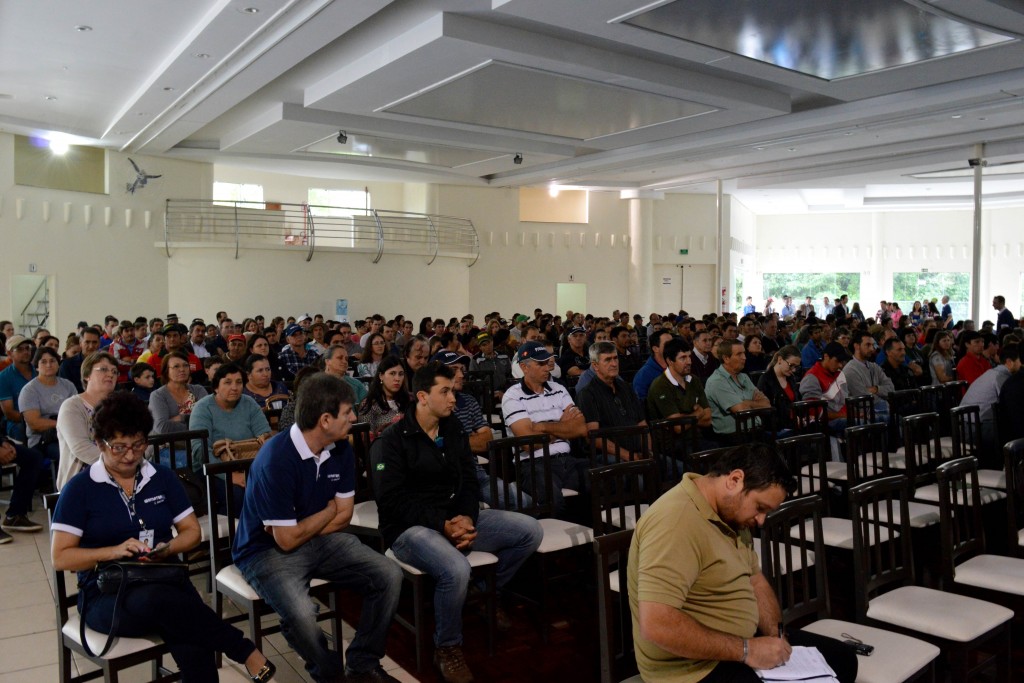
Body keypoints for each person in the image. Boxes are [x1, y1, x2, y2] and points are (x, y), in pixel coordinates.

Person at [50, 392, 276, 682]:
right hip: (106, 592)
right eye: (118, 447)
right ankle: (243, 650)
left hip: (163, 578)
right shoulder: (80, 489)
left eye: (138, 445)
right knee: (174, 608)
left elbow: (192, 532)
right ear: (99, 444)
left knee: (191, 642)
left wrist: (167, 547)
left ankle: (235, 654)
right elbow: (61, 557)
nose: (130, 455)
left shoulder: (161, 477)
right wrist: (115, 551)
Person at [627, 443, 857, 683]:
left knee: (843, 659)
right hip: (691, 669)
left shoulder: (730, 513)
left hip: (737, 646)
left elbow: (755, 581)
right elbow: (657, 625)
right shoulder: (676, 521)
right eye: (760, 508)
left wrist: (776, 635)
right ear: (735, 479)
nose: (761, 520)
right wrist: (747, 650)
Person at [372, 362, 543, 683]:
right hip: (410, 529)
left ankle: (483, 593)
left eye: (453, 390)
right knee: (455, 568)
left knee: (529, 531)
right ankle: (447, 646)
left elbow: (468, 481)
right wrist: (444, 523)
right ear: (422, 396)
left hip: (454, 518)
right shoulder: (392, 440)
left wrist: (465, 516)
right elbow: (394, 501)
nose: (454, 397)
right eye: (445, 391)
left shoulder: (451, 430)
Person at [232, 373, 402, 683]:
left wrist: (308, 525)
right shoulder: (276, 460)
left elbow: (345, 516)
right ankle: (329, 673)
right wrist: (327, 511)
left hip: (317, 541)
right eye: (348, 411)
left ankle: (362, 663)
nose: (354, 417)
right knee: (302, 615)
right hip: (263, 551)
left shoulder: (340, 449)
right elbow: (285, 541)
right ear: (325, 419)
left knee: (389, 575)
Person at [501, 341, 589, 516]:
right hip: (534, 464)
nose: (547, 367)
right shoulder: (512, 396)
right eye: (540, 364)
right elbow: (529, 443)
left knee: (605, 482)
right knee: (553, 503)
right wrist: (562, 425)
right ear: (524, 367)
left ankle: (594, 538)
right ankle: (565, 540)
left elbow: (580, 428)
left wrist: (541, 427)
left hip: (568, 460)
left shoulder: (559, 388)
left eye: (548, 362)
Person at [189, 363, 272, 515]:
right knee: (238, 495)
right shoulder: (203, 408)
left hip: (249, 465)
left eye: (239, 382)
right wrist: (230, 475)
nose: (234, 387)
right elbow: (200, 451)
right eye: (227, 382)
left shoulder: (249, 403)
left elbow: (265, 437)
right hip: (211, 469)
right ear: (216, 387)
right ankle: (237, 537)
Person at [56, 352, 122, 490]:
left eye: (114, 372)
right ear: (87, 376)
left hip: (117, 477)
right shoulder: (72, 406)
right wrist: (120, 461)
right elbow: (81, 448)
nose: (111, 374)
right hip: (80, 483)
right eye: (103, 369)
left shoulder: (119, 407)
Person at [578, 341, 647, 461]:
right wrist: (630, 457)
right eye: (608, 360)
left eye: (616, 358)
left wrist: (648, 452)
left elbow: (642, 424)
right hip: (609, 457)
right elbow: (594, 437)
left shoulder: (626, 387)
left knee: (678, 470)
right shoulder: (587, 394)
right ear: (595, 366)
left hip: (638, 453)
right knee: (638, 478)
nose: (614, 364)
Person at [18, 346, 77, 466]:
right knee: (71, 453)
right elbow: (35, 424)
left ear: (58, 363)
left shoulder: (68, 385)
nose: (49, 365)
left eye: (52, 361)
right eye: (43, 362)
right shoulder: (29, 390)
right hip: (43, 440)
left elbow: (77, 411)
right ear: (36, 366)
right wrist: (62, 424)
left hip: (69, 434)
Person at [704, 340, 770, 442]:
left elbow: (766, 404)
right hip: (733, 438)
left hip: (756, 432)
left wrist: (746, 403)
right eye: (739, 354)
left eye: (744, 353)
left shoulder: (744, 377)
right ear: (726, 358)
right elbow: (741, 410)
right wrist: (754, 403)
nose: (744, 357)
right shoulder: (717, 381)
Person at [149, 351, 209, 435]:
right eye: (176, 366)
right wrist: (191, 420)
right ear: (166, 371)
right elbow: (162, 427)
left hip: (199, 442)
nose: (182, 369)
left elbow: (209, 420)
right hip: (168, 444)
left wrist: (180, 418)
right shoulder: (158, 396)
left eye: (185, 365)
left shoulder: (198, 390)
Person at [798, 342, 851, 433]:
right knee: (860, 423)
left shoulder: (840, 373)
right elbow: (814, 412)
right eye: (837, 361)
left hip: (844, 418)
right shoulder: (812, 377)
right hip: (826, 423)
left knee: (875, 418)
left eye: (842, 362)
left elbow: (846, 400)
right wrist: (845, 416)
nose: (840, 365)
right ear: (826, 357)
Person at [358, 356, 409, 438]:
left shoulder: (410, 399)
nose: (397, 378)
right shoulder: (369, 404)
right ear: (381, 376)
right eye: (392, 373)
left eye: (401, 374)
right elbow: (366, 439)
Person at [0, 335, 37, 444]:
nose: (26, 352)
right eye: (20, 349)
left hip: (42, 417)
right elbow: (9, 413)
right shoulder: (3, 377)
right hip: (18, 423)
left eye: (27, 348)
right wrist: (34, 420)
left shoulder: (38, 372)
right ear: (9, 353)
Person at [757, 346, 803, 432]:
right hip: (776, 429)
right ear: (780, 359)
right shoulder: (766, 380)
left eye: (796, 367)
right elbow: (766, 411)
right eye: (791, 365)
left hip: (793, 426)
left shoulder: (791, 378)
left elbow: (797, 403)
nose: (793, 370)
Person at [633, 329, 672, 402]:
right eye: (667, 344)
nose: (673, 347)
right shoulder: (644, 375)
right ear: (655, 349)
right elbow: (641, 403)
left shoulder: (677, 366)